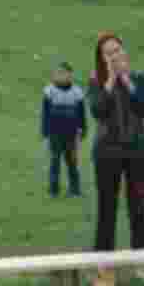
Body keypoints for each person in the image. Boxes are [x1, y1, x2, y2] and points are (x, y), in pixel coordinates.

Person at [86, 32, 144, 286]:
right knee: (107, 211)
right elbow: (98, 111)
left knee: (137, 208)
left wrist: (126, 81)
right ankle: (104, 269)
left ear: (124, 52)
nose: (114, 56)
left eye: (117, 50)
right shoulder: (96, 82)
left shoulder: (137, 79)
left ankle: (142, 263)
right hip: (107, 154)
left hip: (137, 152)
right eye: (108, 53)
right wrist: (111, 80)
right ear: (101, 58)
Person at [40, 60, 85, 198]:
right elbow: (45, 113)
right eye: (58, 73)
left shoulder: (77, 92)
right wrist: (45, 130)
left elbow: (81, 113)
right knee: (54, 162)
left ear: (71, 75)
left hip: (71, 134)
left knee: (72, 162)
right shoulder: (49, 91)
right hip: (55, 133)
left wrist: (83, 128)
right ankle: (53, 190)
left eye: (65, 73)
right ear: (54, 75)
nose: (61, 76)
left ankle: (75, 190)